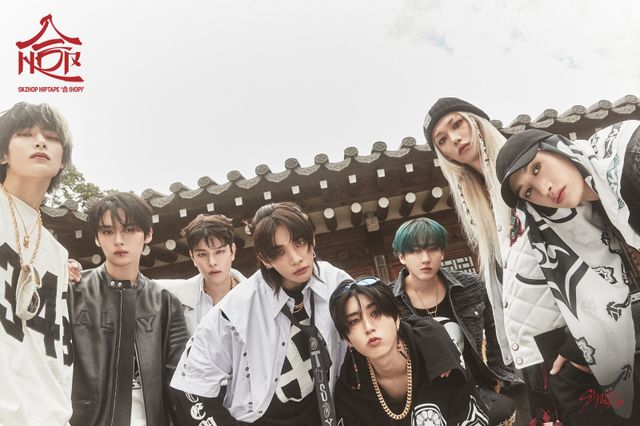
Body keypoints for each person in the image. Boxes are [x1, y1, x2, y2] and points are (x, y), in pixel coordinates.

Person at [496, 123, 640, 424]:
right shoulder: (591, 216)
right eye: (528, 191)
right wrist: (588, 343)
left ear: (556, 147)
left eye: (537, 168)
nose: (544, 189)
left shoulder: (628, 160)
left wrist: (599, 338)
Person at [423, 97, 556, 424]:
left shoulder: (526, 165)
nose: (454, 139)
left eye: (457, 124)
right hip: (532, 345)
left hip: (567, 334)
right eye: (442, 140)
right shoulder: (478, 200)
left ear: (476, 120)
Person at [170, 202, 351, 425]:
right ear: (265, 259)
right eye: (279, 252)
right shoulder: (234, 309)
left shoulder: (336, 282)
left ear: (311, 240)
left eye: (299, 242)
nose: (296, 258)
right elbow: (190, 387)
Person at [69, 192, 189, 425]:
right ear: (97, 238)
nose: (118, 240)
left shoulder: (164, 302)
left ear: (148, 234)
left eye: (130, 229)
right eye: (107, 231)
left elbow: (180, 380)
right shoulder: (73, 292)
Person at [391, 217, 519, 425]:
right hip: (425, 399)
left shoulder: (470, 286)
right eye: (415, 251)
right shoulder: (391, 301)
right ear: (401, 256)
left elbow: (495, 329)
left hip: (475, 387)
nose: (425, 259)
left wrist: (496, 375)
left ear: (442, 252)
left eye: (432, 249)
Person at [0, 102, 74, 425]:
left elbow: (60, 352)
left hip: (48, 415)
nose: (41, 142)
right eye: (26, 134)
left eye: (52, 137)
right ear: (3, 153)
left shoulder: (57, 254)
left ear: (61, 161)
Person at [330, 276, 490, 426]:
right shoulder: (350, 391)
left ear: (396, 318)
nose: (368, 327)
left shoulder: (438, 357)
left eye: (375, 313)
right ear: (347, 339)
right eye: (354, 321)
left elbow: (465, 412)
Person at [158, 213, 246, 334]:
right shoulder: (174, 296)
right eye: (202, 254)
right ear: (192, 257)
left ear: (232, 251)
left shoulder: (257, 294)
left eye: (219, 252)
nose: (212, 262)